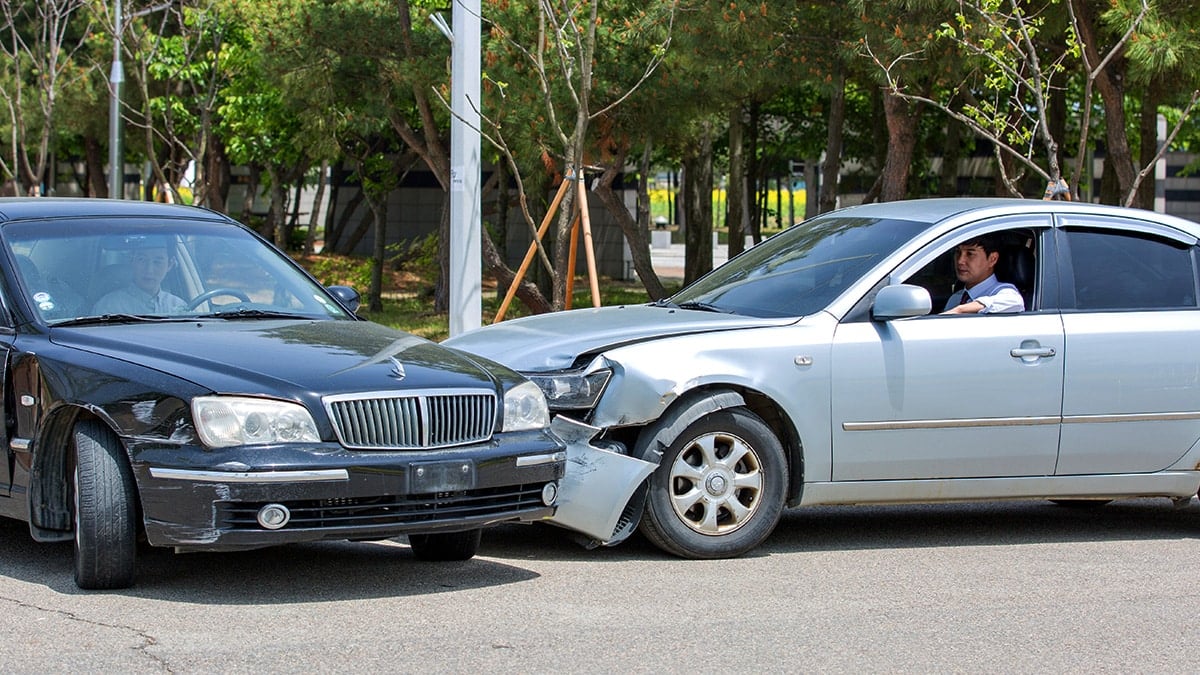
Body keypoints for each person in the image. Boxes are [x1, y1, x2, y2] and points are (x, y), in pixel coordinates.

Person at [93, 239, 188, 315]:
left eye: (157, 262)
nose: (149, 270)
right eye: (142, 259)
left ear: (170, 264)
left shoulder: (178, 307)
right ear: (131, 260)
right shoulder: (110, 307)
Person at [941, 234, 1024, 314]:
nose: (960, 261)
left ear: (992, 259)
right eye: (958, 252)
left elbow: (1015, 302)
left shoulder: (1003, 293)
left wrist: (960, 310)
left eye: (970, 254)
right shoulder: (956, 298)